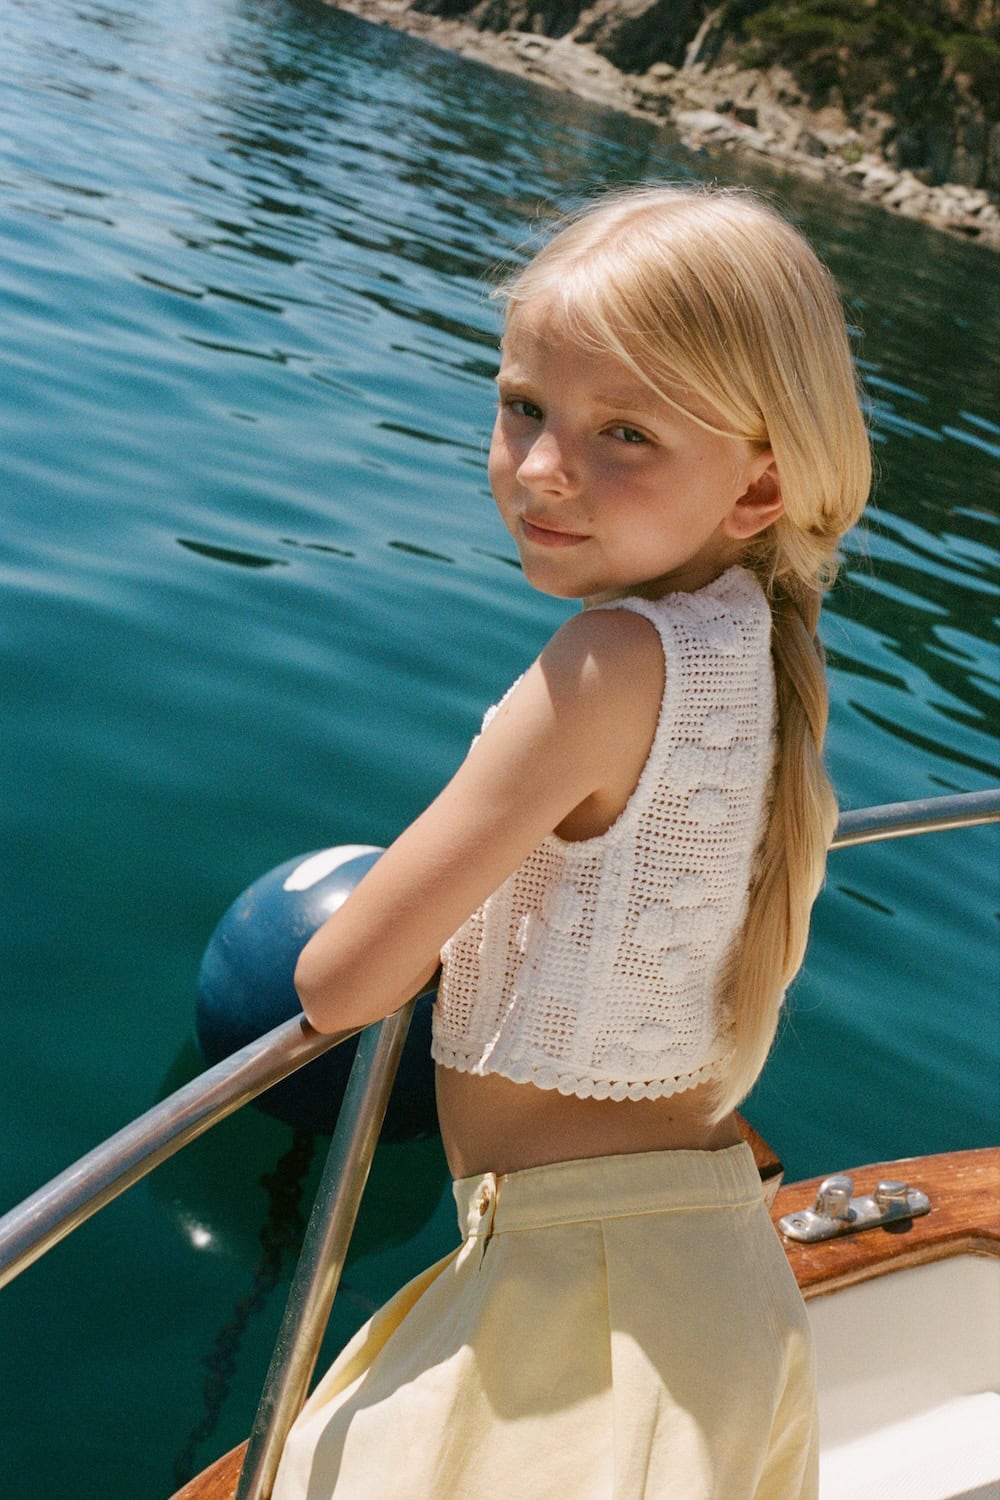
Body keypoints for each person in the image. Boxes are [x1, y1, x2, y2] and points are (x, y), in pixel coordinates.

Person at [271, 183, 871, 1500]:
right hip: (707, 1278)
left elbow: (342, 981)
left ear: (760, 479)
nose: (544, 469)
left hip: (572, 1299)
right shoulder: (768, 660)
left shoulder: (607, 662)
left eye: (625, 433)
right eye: (523, 405)